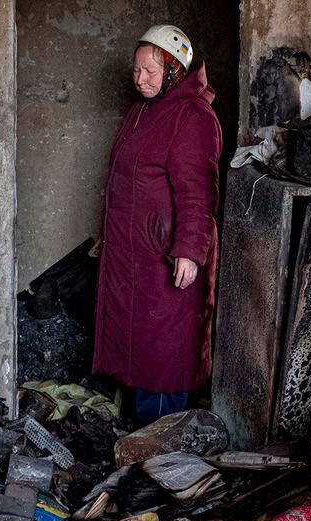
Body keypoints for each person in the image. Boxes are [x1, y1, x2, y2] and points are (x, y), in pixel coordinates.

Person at [92, 25, 221, 426]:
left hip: (166, 254)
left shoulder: (192, 116)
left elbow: (199, 191)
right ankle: (141, 434)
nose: (140, 79)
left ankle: (162, 441)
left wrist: (190, 251)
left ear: (173, 71)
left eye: (150, 71)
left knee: (166, 351)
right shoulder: (142, 110)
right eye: (136, 70)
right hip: (136, 256)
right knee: (142, 343)